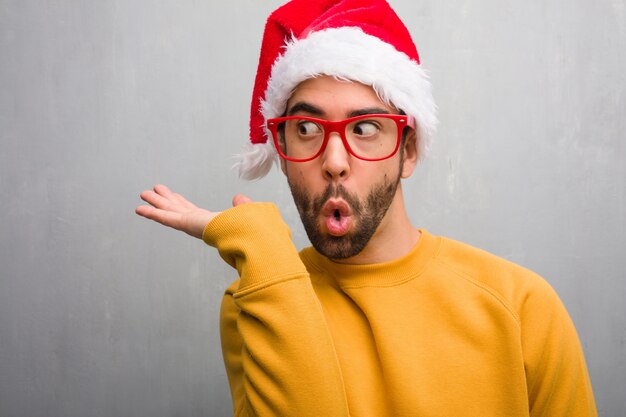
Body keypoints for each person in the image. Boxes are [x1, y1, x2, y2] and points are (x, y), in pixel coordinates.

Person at [136, 0, 598, 416]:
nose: (334, 162)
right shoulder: (256, 301)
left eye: (365, 128)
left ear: (409, 149)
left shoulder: (521, 307)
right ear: (279, 146)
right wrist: (260, 249)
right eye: (306, 129)